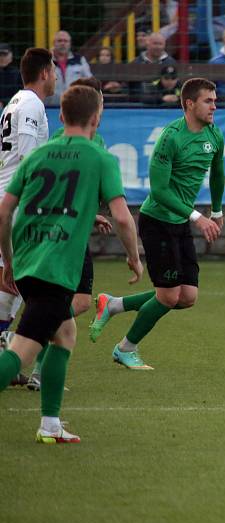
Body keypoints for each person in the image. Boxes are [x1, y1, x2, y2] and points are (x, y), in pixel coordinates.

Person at [0, 84, 143, 443]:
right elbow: (123, 218)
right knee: (22, 350)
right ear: (96, 118)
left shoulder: (38, 155)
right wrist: (133, 257)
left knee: (65, 334)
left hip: (28, 259)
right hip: (56, 266)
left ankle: (50, 425)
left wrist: (8, 260)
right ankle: (49, 424)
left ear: (60, 117)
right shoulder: (99, 157)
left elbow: (4, 210)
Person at [88, 78, 225, 370]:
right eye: (208, 100)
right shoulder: (170, 137)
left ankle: (113, 305)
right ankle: (126, 348)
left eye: (215, 100)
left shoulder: (214, 135)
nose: (215, 105)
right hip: (157, 221)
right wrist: (197, 217)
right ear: (189, 104)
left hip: (180, 221)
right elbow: (160, 191)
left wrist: (216, 210)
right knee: (168, 295)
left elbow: (216, 173)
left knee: (187, 297)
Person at [20, 77, 115, 391]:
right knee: (66, 310)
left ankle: (35, 365)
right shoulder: (84, 145)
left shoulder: (79, 142)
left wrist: (93, 215)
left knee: (78, 305)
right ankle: (33, 359)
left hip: (61, 235)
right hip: (63, 240)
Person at [0, 48, 56, 387]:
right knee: (22, 278)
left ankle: (7, 344)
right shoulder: (31, 104)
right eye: (53, 69)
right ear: (46, 72)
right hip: (19, 203)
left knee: (12, 280)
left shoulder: (15, 102)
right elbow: (27, 157)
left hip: (11, 197)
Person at [45, 31, 93, 106]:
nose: (63, 43)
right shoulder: (45, 60)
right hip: (50, 107)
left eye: (65, 41)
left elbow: (90, 81)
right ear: (54, 43)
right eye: (59, 41)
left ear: (70, 44)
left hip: (75, 106)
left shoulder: (80, 60)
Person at [130, 33, 177, 98]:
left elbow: (176, 87)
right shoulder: (136, 62)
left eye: (160, 44)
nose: (157, 47)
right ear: (147, 44)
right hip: (138, 100)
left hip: (163, 102)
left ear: (164, 45)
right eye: (155, 43)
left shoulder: (171, 62)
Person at [0, 43, 23, 110]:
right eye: (0, 54)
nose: (2, 57)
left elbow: (22, 95)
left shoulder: (18, 74)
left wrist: (4, 103)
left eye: (4, 54)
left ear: (11, 55)